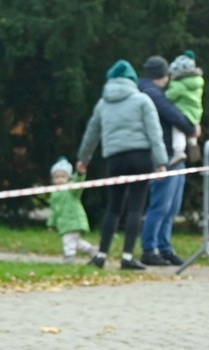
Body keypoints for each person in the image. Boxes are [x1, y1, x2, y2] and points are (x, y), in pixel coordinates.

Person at [77, 60, 165, 270]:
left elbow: (91, 133)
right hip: (140, 158)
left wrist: (83, 158)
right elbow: (154, 133)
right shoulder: (142, 100)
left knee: (113, 207)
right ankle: (127, 257)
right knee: (135, 208)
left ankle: (101, 255)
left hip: (115, 159)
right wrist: (161, 162)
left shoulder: (103, 104)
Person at [138, 55, 197, 266]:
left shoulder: (156, 91)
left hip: (173, 155)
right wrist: (191, 128)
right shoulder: (152, 93)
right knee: (161, 205)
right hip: (164, 156)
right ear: (162, 75)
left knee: (172, 207)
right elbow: (173, 114)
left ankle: (164, 247)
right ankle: (149, 248)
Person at [46, 158, 95, 261]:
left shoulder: (71, 189)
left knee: (68, 240)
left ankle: (69, 257)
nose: (59, 179)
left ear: (68, 177)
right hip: (64, 224)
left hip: (74, 221)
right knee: (75, 242)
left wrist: (80, 174)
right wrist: (51, 224)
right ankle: (92, 250)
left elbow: (78, 182)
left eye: (63, 176)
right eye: (57, 177)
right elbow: (54, 211)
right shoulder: (54, 193)